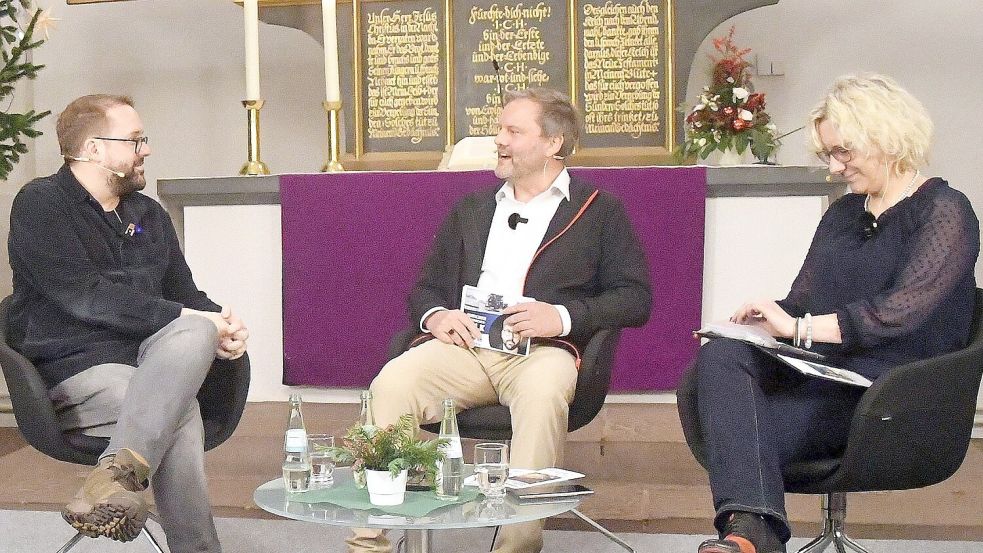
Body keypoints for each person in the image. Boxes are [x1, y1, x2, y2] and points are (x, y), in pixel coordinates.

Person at [349, 87, 652, 553]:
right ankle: (370, 542)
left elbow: (635, 299)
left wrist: (562, 316)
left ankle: (517, 545)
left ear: (553, 143)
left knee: (542, 394)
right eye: (499, 129)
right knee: (390, 385)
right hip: (466, 348)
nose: (499, 140)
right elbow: (425, 288)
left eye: (513, 131)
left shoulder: (599, 210)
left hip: (542, 354)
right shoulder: (472, 208)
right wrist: (436, 317)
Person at [686, 74, 979, 553]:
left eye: (844, 152)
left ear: (886, 136)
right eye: (829, 154)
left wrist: (798, 328)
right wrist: (766, 320)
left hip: (894, 395)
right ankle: (753, 536)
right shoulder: (842, 214)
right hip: (826, 377)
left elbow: (898, 315)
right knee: (722, 356)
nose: (836, 166)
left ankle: (752, 536)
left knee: (742, 436)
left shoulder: (945, 209)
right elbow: (803, 301)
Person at [6, 94, 249, 552]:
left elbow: (186, 296)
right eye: (136, 140)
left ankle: (114, 479)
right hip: (75, 371)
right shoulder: (41, 204)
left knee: (196, 330)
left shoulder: (148, 215)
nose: (147, 150)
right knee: (181, 409)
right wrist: (194, 321)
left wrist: (221, 322)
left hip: (149, 364)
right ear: (94, 149)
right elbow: (82, 296)